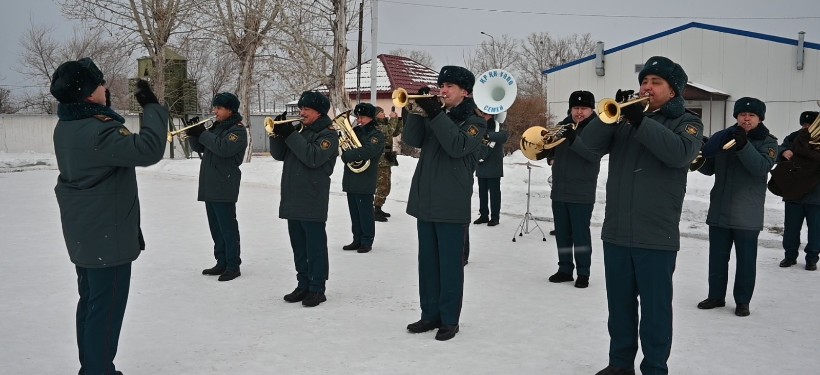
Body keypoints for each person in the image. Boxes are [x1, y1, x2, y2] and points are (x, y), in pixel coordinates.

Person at [582, 56, 703, 375]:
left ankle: (654, 367)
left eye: (656, 82)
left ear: (673, 91)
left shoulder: (687, 123)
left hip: (656, 235)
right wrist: (608, 119)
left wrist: (640, 122)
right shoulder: (625, 119)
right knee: (619, 307)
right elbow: (588, 147)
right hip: (617, 232)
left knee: (655, 311)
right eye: (644, 81)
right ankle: (620, 364)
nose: (647, 87)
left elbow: (679, 154)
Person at [51, 58, 168, 374]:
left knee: (91, 304)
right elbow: (149, 149)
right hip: (106, 236)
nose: (106, 88)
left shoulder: (67, 125)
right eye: (101, 84)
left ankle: (91, 367)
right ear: (89, 93)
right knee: (105, 311)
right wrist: (152, 108)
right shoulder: (99, 130)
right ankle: (99, 370)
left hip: (86, 234)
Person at [402, 65, 486, 341]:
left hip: (451, 204)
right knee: (427, 264)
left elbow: (456, 146)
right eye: (442, 85)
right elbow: (411, 140)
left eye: (450, 86)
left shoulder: (475, 123)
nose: (443, 90)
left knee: (450, 266)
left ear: (465, 92)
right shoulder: (436, 115)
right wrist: (417, 111)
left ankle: (449, 320)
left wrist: (435, 114)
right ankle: (429, 315)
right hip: (426, 201)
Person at [696, 97, 777, 317]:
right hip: (720, 209)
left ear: (760, 118)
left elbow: (760, 167)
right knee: (717, 258)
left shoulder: (768, 143)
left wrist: (743, 145)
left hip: (747, 213)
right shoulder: (724, 137)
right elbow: (709, 168)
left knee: (746, 261)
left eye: (751, 115)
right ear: (736, 117)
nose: (746, 119)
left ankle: (742, 301)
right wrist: (699, 151)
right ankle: (716, 296)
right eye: (742, 114)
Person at [270, 91, 339, 307]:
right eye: (301, 108)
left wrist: (290, 134)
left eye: (306, 109)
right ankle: (303, 284)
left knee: (315, 247)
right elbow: (279, 155)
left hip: (312, 197)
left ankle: (317, 288)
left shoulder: (328, 135)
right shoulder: (301, 131)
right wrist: (277, 134)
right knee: (299, 245)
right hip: (293, 195)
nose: (301, 113)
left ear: (319, 112)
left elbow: (312, 157)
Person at [187, 92, 249, 281]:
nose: (215, 111)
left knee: (227, 228)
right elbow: (200, 148)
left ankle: (233, 265)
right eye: (215, 107)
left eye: (219, 108)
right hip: (211, 183)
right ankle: (221, 261)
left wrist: (203, 134)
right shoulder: (216, 127)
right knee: (216, 227)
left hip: (224, 184)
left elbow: (223, 148)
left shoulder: (238, 131)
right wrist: (193, 134)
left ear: (230, 110)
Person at [546, 90, 603, 289]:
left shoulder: (598, 128)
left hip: (581, 191)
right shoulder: (562, 126)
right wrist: (549, 154)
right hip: (560, 190)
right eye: (576, 108)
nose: (579, 112)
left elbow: (593, 156)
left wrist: (573, 140)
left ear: (591, 109)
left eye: (584, 108)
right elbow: (552, 150)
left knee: (580, 235)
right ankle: (564, 269)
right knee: (562, 234)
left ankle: (583, 272)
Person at [776, 111, 820, 270]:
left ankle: (812, 259)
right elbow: (779, 148)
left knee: (816, 230)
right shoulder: (794, 137)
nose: (806, 127)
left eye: (810, 124)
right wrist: (783, 152)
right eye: (804, 124)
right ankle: (790, 256)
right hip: (793, 192)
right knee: (791, 229)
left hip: (816, 195)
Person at [341, 103, 385, 253]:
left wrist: (348, 155)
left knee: (365, 213)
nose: (359, 120)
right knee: (354, 213)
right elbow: (345, 146)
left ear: (371, 117)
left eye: (363, 117)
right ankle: (357, 239)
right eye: (358, 117)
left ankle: (367, 240)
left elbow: (368, 151)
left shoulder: (376, 135)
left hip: (365, 178)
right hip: (351, 178)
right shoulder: (355, 131)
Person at [473, 110, 509, 227]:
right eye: (482, 114)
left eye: (485, 114)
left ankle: (495, 217)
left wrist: (488, 135)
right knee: (482, 193)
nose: (483, 116)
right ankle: (484, 215)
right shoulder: (478, 125)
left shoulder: (498, 125)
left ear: (491, 115)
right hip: (481, 162)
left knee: (494, 194)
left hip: (493, 164)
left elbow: (504, 136)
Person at [374, 106, 403, 222]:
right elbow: (389, 130)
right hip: (380, 161)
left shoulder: (385, 123)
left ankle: (379, 207)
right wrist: (393, 119)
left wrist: (398, 119)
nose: (383, 113)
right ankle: (376, 209)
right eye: (381, 112)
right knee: (382, 186)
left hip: (386, 159)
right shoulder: (376, 125)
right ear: (375, 115)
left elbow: (396, 132)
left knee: (386, 185)